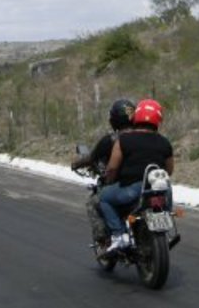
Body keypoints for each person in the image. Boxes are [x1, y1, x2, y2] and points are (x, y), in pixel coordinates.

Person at [98, 99, 174, 252]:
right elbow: (169, 170)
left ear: (136, 116)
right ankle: (164, 227)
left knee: (104, 198)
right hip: (159, 191)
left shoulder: (123, 140)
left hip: (132, 190)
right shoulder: (165, 142)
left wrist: (109, 181)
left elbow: (112, 168)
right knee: (167, 194)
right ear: (158, 119)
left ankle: (119, 235)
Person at [71, 98, 135, 242]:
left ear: (114, 119)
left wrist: (76, 164)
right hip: (142, 185)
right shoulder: (144, 136)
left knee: (95, 202)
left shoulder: (111, 140)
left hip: (120, 186)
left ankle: (104, 238)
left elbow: (91, 158)